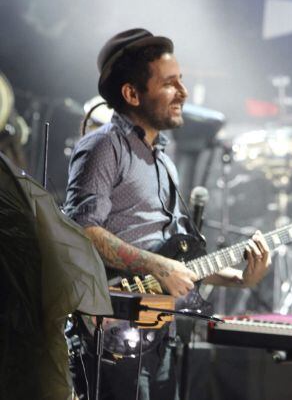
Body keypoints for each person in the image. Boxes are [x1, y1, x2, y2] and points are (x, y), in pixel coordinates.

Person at [63, 28, 272, 400]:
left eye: (181, 81)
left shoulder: (164, 163)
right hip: (111, 332)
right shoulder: (104, 147)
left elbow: (178, 263)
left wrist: (239, 278)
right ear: (132, 93)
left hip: (159, 333)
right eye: (170, 83)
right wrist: (157, 267)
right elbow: (81, 230)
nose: (184, 93)